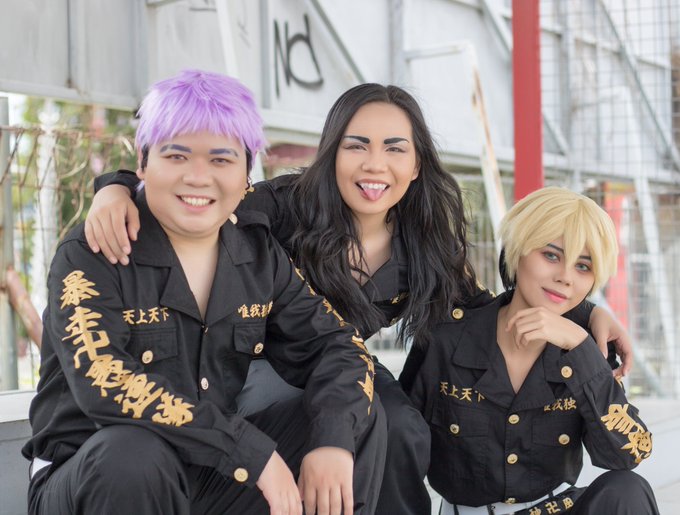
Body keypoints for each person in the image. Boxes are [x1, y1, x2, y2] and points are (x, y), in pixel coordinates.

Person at [85, 84, 632, 514]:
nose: (375, 165)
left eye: (394, 148)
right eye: (357, 145)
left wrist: (585, 313)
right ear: (332, 153)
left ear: (416, 165)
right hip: (239, 368)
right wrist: (115, 185)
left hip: (338, 372)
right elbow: (201, 196)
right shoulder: (280, 204)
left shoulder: (425, 242)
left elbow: (478, 308)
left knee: (399, 423)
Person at [23, 69, 386, 515]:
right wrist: (248, 451)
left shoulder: (257, 252)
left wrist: (332, 442)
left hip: (208, 471)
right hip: (90, 476)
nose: (198, 177)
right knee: (133, 456)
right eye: (177, 156)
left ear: (246, 172)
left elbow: (340, 347)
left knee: (350, 418)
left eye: (220, 160)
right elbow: (105, 382)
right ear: (143, 162)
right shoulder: (94, 249)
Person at [401, 187, 659, 515]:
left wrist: (580, 346)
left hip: (555, 507)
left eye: (583, 266)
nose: (565, 277)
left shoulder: (587, 347)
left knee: (627, 490)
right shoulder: (447, 339)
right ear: (518, 250)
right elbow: (398, 443)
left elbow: (628, 453)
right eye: (551, 255)